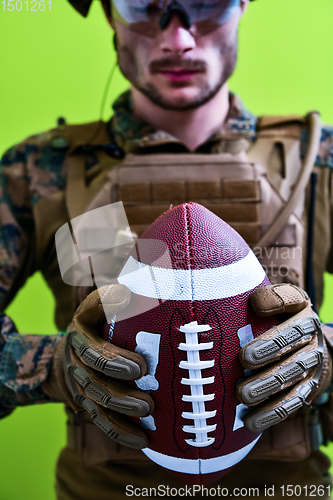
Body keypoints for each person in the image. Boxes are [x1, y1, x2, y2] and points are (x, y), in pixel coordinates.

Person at [1, 0, 333, 498]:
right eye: (143, 6)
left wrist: (325, 351)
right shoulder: (38, 171)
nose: (177, 39)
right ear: (107, 13)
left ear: (242, 5)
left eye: (205, 6)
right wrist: (49, 366)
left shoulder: (317, 163)